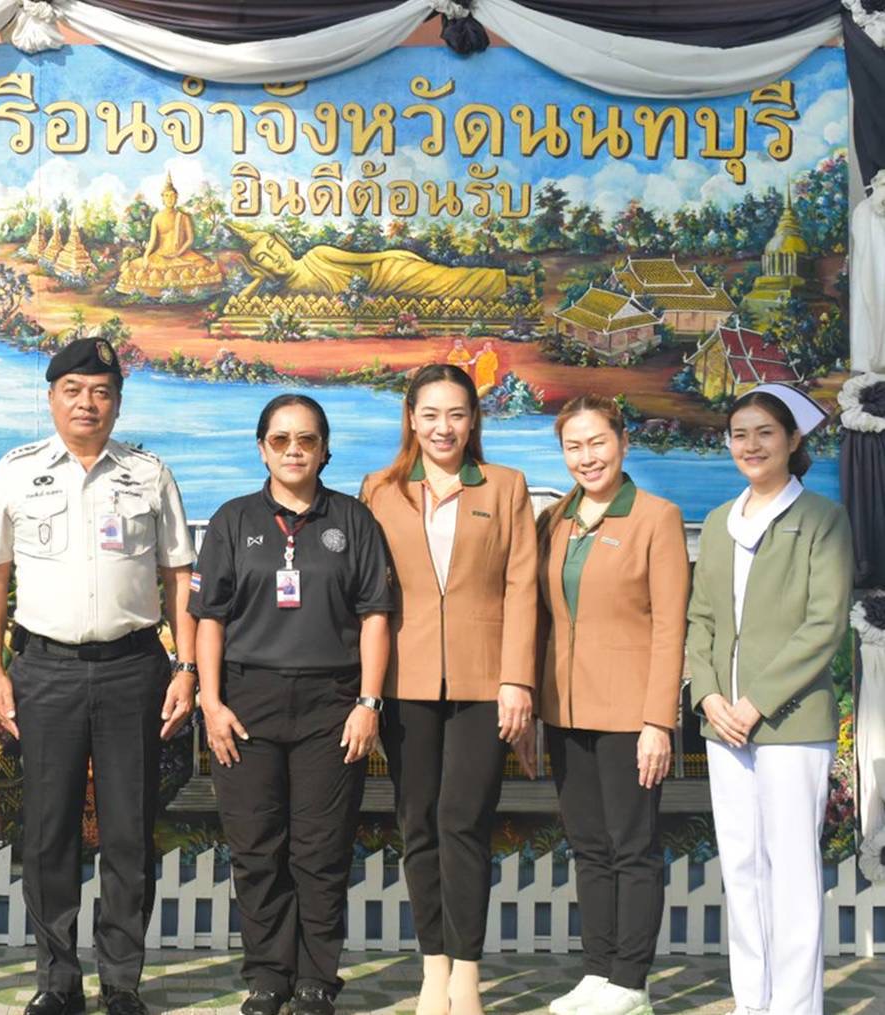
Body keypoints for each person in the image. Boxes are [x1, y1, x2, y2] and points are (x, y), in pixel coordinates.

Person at [0, 337, 198, 1015]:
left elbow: (178, 573)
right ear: (51, 398)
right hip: (45, 670)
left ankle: (122, 982)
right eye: (72, 390)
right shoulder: (16, 471)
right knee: (49, 832)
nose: (86, 404)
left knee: (129, 830)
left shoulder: (149, 474)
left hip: (133, 667)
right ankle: (58, 979)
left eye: (101, 392)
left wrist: (185, 667)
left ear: (118, 403)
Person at [191, 395, 394, 1015]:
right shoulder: (233, 520)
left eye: (306, 439)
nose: (293, 450)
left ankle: (315, 979)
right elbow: (208, 619)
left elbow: (376, 616)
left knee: (320, 850)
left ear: (325, 449)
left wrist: (369, 702)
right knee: (256, 848)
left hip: (331, 704)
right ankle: (267, 976)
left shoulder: (353, 521)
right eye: (280, 440)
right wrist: (211, 702)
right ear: (262, 449)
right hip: (245, 703)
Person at [360, 363, 538, 1015]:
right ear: (411, 418)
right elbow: (368, 593)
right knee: (417, 821)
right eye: (431, 414)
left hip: (485, 680)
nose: (444, 427)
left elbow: (522, 585)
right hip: (405, 679)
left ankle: (467, 972)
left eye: (457, 414)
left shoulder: (505, 485)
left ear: (474, 420)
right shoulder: (380, 489)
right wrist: (365, 690)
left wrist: (517, 678)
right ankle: (432, 965)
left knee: (463, 820)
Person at [687, 384, 853, 1015]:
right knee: (742, 868)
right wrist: (708, 696)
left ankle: (795, 1006)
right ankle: (752, 1001)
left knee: (792, 872)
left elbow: (823, 625)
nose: (750, 445)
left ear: (792, 440)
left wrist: (755, 702)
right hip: (723, 725)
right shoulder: (721, 524)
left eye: (764, 433)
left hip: (791, 723)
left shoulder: (822, 520)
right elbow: (700, 621)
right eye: (740, 434)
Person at [534, 395, 689, 1015]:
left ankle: (631, 981)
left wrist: (658, 721)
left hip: (630, 714)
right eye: (573, 446)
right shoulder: (555, 520)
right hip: (566, 711)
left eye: (597, 442)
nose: (587, 457)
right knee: (589, 846)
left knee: (632, 847)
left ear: (623, 442)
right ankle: (597, 973)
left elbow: (669, 626)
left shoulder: (656, 517)